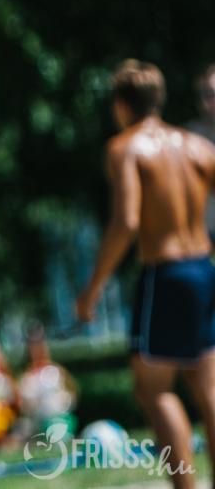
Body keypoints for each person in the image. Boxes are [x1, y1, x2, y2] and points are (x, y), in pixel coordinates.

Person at [76, 60, 215, 489]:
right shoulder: (199, 147)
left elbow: (127, 221)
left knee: (154, 391)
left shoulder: (126, 148)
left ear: (121, 104)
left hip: (165, 274)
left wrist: (93, 288)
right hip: (204, 269)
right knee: (208, 389)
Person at [185, 64, 215, 239]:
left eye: (212, 93)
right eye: (203, 95)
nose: (207, 101)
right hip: (201, 236)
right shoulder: (187, 138)